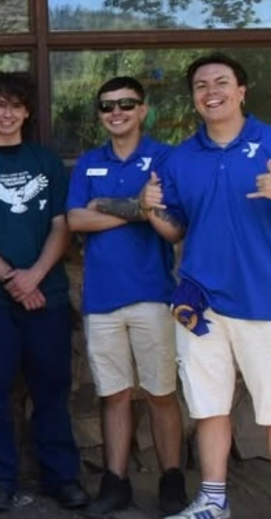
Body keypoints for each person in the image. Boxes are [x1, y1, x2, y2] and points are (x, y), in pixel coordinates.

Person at [141, 54, 271, 519]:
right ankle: (214, 501)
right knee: (208, 407)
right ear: (194, 98)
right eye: (201, 85)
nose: (211, 91)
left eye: (221, 82)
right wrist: (149, 208)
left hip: (264, 301)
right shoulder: (181, 158)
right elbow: (175, 230)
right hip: (202, 304)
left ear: (241, 90)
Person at [0, 72, 88, 512]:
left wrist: (34, 276)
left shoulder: (45, 161)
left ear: (27, 112)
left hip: (48, 295)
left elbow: (61, 226)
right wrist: (12, 279)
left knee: (52, 390)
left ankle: (62, 477)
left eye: (15, 106)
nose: (7, 114)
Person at [65, 76, 186, 516]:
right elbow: (76, 220)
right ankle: (115, 484)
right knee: (113, 394)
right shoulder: (89, 162)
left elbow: (173, 226)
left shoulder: (165, 158)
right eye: (107, 105)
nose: (116, 112)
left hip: (152, 295)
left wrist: (105, 205)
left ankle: (172, 482)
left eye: (126, 104)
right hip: (101, 299)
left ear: (142, 110)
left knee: (160, 394)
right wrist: (136, 208)